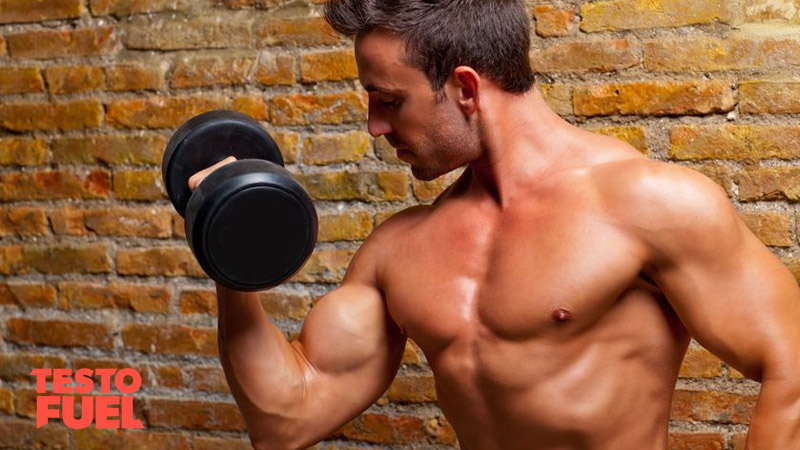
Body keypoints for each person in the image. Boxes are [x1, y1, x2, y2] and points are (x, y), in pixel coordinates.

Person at [188, 1, 800, 448]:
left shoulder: (648, 204)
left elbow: (791, 367)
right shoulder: (400, 248)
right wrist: (228, 248)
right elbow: (286, 419)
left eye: (390, 100)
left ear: (465, 89)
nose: (374, 126)